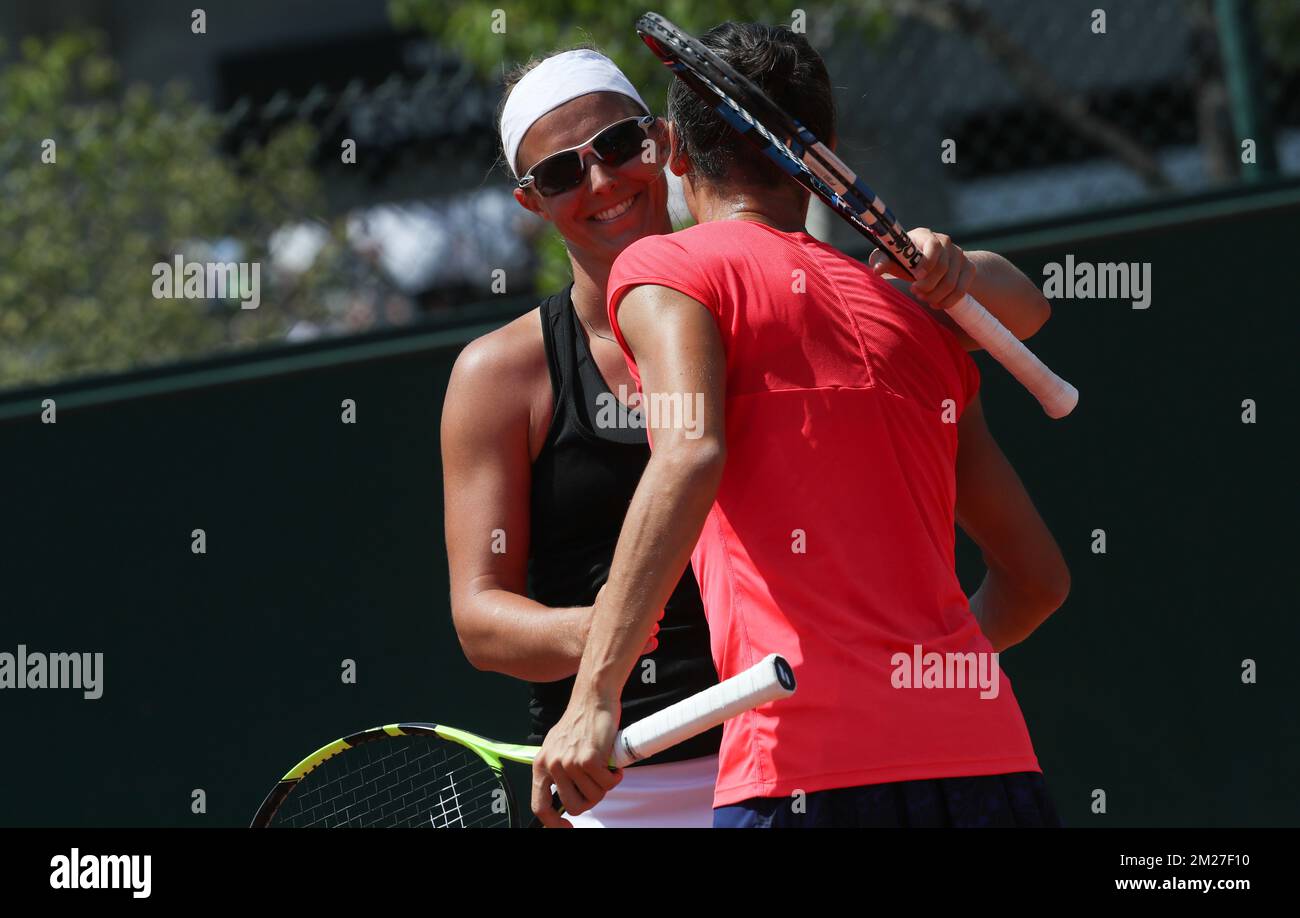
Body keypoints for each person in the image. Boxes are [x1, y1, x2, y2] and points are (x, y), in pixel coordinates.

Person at [531, 23, 1070, 828]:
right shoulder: (922, 322)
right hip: (991, 767)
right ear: (823, 153)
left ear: (672, 150)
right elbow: (1038, 582)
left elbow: (689, 452)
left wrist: (594, 698)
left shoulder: (663, 268)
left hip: (804, 783)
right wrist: (921, 680)